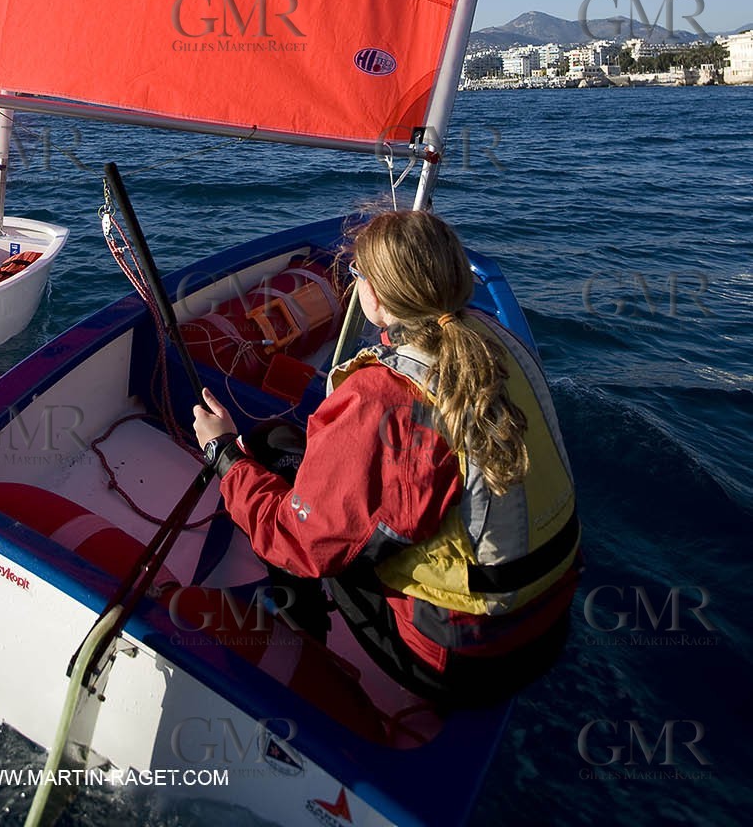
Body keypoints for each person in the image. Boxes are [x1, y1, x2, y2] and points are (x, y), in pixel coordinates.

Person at [193, 209, 580, 711]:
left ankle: (305, 645)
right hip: (548, 624)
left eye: (357, 274)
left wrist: (224, 454)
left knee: (274, 465)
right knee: (294, 449)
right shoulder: (495, 340)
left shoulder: (384, 398)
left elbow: (300, 541)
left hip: (462, 661)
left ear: (375, 296)